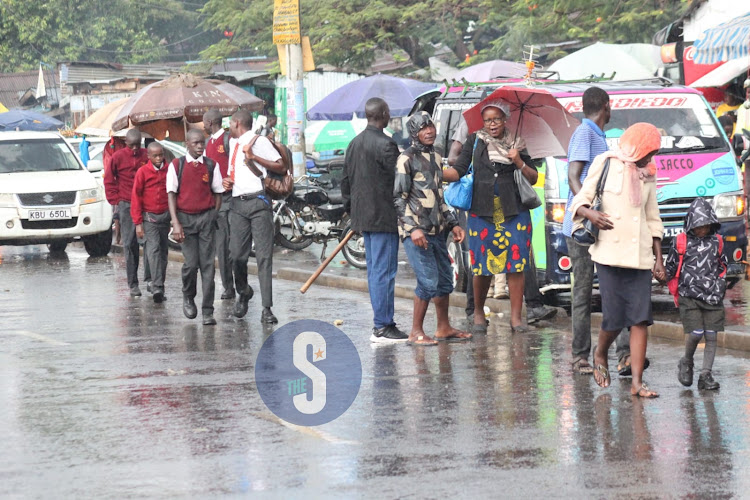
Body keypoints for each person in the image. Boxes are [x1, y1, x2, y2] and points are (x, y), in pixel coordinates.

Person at [569, 122, 665, 398]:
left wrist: (658, 260)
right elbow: (581, 199)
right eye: (648, 152)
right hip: (609, 254)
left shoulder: (649, 173)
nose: (650, 159)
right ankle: (600, 353)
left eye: (653, 153)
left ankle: (637, 383)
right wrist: (591, 215)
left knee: (640, 319)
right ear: (636, 146)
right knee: (614, 317)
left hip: (640, 257)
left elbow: (653, 218)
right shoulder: (606, 163)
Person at [447, 115, 556, 326]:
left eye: (496, 119)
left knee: (517, 264)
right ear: (483, 123)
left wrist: (519, 161)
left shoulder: (517, 142)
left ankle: (516, 319)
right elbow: (459, 170)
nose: (492, 123)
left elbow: (533, 178)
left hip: (514, 212)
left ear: (505, 120)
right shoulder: (475, 140)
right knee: (480, 265)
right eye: (487, 120)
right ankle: (478, 313)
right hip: (482, 212)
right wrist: (436, 173)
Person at [563, 87, 638, 376]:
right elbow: (573, 176)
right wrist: (588, 211)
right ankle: (580, 356)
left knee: (613, 292)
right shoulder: (585, 134)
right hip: (583, 229)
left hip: (600, 227)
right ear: (607, 106)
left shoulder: (598, 135)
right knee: (582, 293)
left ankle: (623, 355)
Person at [393, 112, 472, 345]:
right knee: (428, 282)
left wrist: (454, 223)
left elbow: (439, 194)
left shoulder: (436, 154)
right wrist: (413, 229)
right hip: (417, 232)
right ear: (414, 133)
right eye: (423, 128)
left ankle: (443, 327)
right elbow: (398, 198)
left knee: (445, 280)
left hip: (439, 230)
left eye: (430, 126)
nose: (429, 131)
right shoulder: (405, 159)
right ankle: (416, 332)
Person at [341, 98, 408, 343]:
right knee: (383, 271)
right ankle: (382, 325)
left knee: (376, 271)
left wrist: (352, 212)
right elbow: (399, 183)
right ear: (382, 114)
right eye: (388, 111)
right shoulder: (387, 144)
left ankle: (382, 322)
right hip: (382, 217)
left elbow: (345, 181)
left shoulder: (354, 143)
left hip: (363, 217)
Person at [223, 110, 283, 324]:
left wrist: (254, 157)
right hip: (238, 203)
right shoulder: (233, 144)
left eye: (230, 122)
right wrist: (227, 181)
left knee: (264, 257)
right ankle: (244, 290)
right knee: (236, 255)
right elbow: (234, 173)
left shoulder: (259, 141)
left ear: (237, 123)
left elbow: (280, 165)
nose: (229, 126)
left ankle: (267, 308)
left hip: (259, 202)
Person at [666, 198, 726, 391]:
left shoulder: (717, 241)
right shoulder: (681, 242)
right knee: (696, 332)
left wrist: (720, 285)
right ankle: (686, 361)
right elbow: (671, 266)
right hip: (689, 296)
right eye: (698, 226)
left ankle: (706, 374)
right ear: (691, 224)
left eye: (706, 225)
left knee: (711, 335)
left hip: (713, 297)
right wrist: (662, 276)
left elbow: (723, 265)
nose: (702, 230)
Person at [167, 129, 224, 325]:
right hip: (185, 220)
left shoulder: (211, 165)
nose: (200, 146)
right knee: (191, 264)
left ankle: (208, 310)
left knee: (208, 265)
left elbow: (218, 192)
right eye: (196, 143)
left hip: (206, 219)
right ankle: (188, 296)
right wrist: (175, 222)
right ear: (187, 144)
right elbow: (171, 194)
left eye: (203, 143)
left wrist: (213, 215)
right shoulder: (177, 165)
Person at [104, 129, 150, 297]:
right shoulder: (118, 157)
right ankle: (133, 283)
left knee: (149, 242)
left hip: (147, 203)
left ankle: (150, 280)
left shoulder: (147, 154)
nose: (135, 149)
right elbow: (109, 179)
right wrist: (115, 199)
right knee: (130, 243)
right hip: (126, 204)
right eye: (131, 146)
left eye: (138, 145)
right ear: (126, 143)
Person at [131, 142, 170, 304]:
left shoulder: (170, 171)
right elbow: (136, 197)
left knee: (163, 252)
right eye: (155, 156)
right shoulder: (143, 172)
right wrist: (138, 223)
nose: (159, 158)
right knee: (153, 250)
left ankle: (157, 283)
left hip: (165, 217)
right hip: (149, 218)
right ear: (148, 157)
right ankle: (157, 287)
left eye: (161, 155)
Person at [203, 109, 235, 300]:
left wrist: (230, 178)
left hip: (231, 198)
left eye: (204, 122)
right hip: (216, 201)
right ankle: (228, 286)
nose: (203, 125)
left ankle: (238, 282)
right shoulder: (208, 143)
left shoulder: (227, 140)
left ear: (211, 122)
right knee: (221, 246)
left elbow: (235, 163)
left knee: (234, 245)